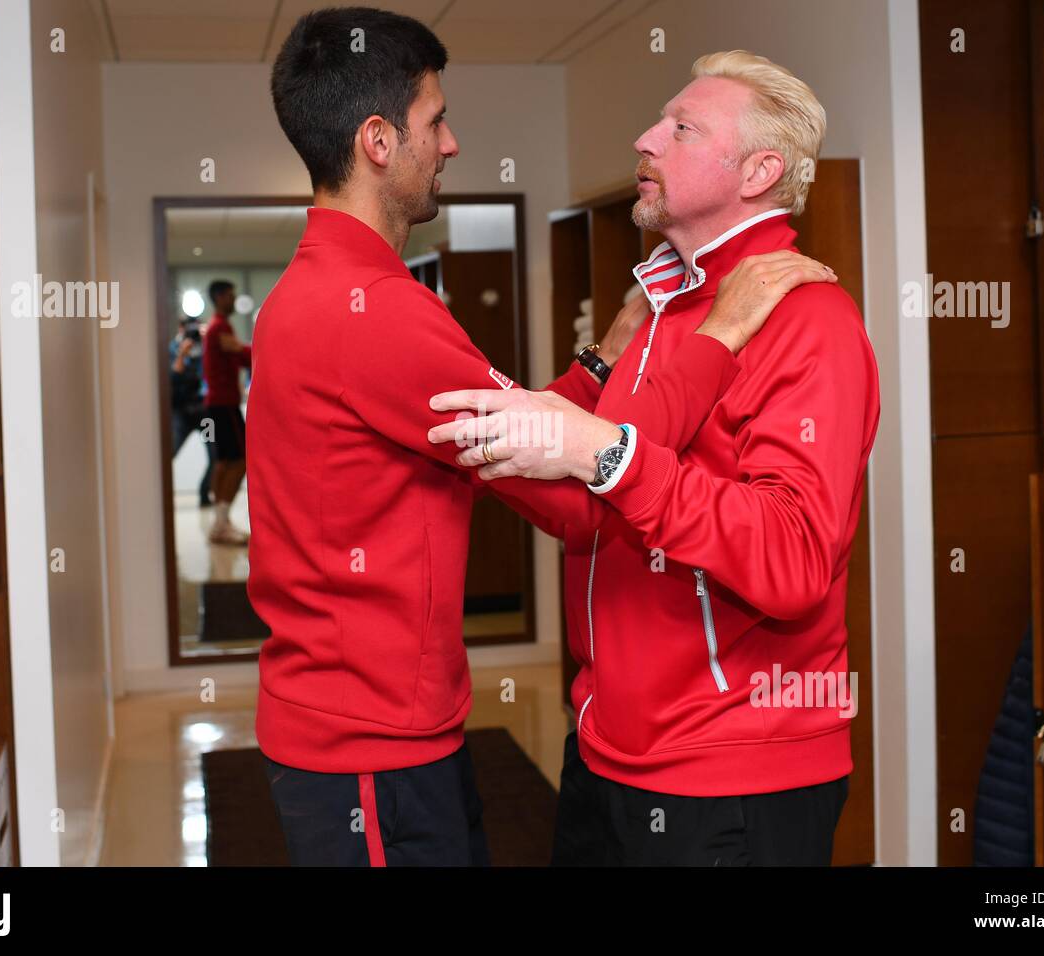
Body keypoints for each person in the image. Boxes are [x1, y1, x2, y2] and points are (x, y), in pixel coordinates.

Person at [247, 9, 832, 867]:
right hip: (369, 747)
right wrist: (715, 340)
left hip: (374, 732)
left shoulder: (333, 289)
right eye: (434, 121)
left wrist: (604, 357)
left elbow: (526, 432)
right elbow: (572, 496)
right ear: (378, 141)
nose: (448, 144)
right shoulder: (373, 314)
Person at [429, 50, 880, 866]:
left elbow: (793, 560)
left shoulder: (808, 319)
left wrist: (604, 453)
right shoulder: (660, 312)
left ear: (759, 171)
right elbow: (586, 509)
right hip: (607, 750)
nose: (644, 138)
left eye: (680, 127)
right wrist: (496, 442)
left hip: (731, 771)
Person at [201, 279, 252, 545]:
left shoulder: (215, 327)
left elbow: (240, 356)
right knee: (241, 460)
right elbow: (245, 354)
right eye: (231, 296)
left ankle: (220, 522)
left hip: (216, 405)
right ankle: (221, 523)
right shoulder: (220, 327)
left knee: (222, 464)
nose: (234, 300)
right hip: (224, 405)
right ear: (220, 297)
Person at [169, 317, 214, 507]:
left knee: (215, 455)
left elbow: (209, 376)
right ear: (181, 329)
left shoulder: (206, 349)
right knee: (169, 451)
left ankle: (205, 494)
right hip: (181, 414)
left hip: (205, 415)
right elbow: (172, 377)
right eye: (190, 329)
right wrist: (182, 354)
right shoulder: (172, 348)